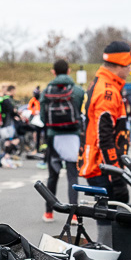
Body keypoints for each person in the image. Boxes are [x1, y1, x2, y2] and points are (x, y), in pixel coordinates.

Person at [79, 40, 131, 258]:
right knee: (108, 215)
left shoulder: (101, 83)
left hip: (99, 163)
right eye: (129, 64)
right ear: (121, 63)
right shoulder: (108, 90)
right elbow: (105, 138)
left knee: (106, 213)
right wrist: (116, 175)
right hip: (104, 167)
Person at [40, 58, 85, 222]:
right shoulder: (78, 91)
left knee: (53, 175)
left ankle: (49, 212)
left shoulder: (46, 91)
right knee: (73, 175)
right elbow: (81, 113)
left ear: (53, 72)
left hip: (54, 136)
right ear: (69, 70)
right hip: (72, 136)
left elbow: (43, 117)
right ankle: (74, 215)